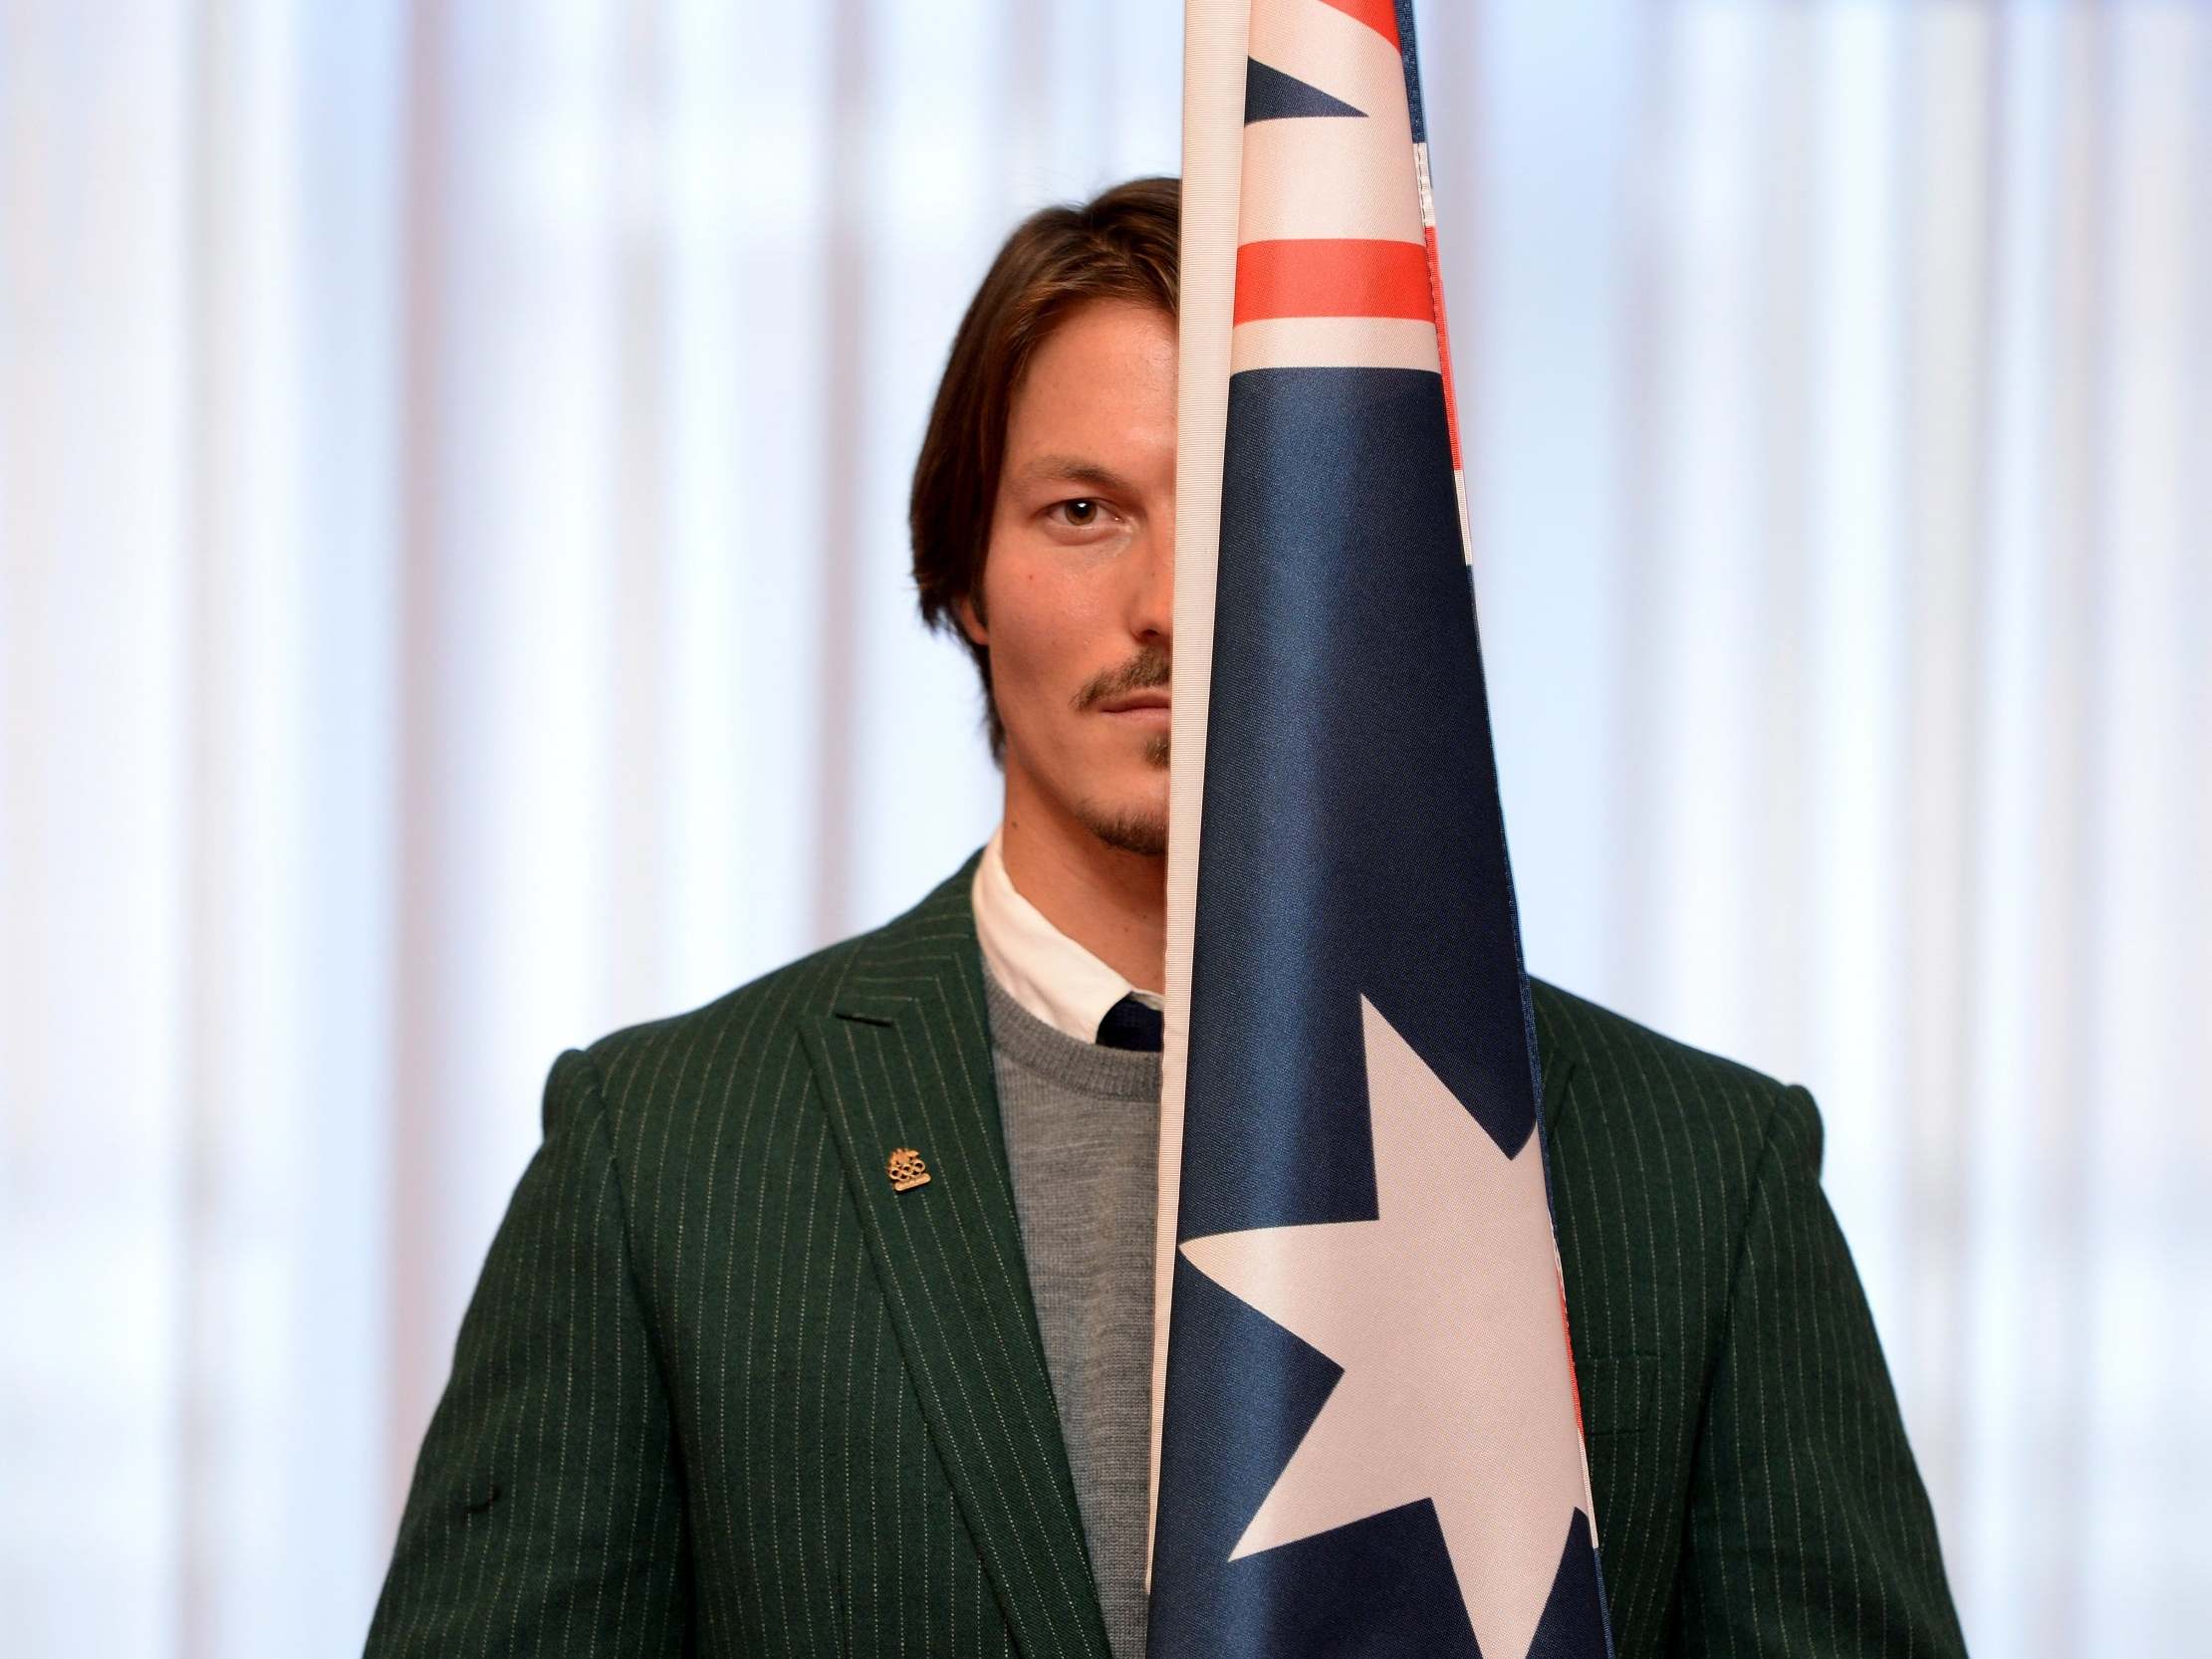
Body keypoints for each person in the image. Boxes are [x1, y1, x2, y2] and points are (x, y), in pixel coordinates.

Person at [365, 176, 1966, 1659]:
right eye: (1081, 510)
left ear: (1369, 560)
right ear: (966, 571)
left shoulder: (1696, 1178)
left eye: (1235, 506)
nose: (1161, 605)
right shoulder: (668, 1162)